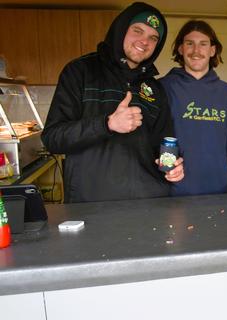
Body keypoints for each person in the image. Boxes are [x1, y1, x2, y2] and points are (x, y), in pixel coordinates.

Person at [41, 2, 184, 203]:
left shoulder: (154, 88)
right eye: (138, 31)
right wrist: (107, 124)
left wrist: (174, 164)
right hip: (92, 206)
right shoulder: (81, 71)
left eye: (153, 38)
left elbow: (164, 143)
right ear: (121, 30)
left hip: (149, 204)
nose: (145, 41)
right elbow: (53, 138)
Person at [160, 20, 227, 195]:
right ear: (180, 49)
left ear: (213, 50)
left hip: (220, 191)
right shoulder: (163, 88)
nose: (196, 51)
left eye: (203, 44)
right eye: (190, 44)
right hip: (174, 192)